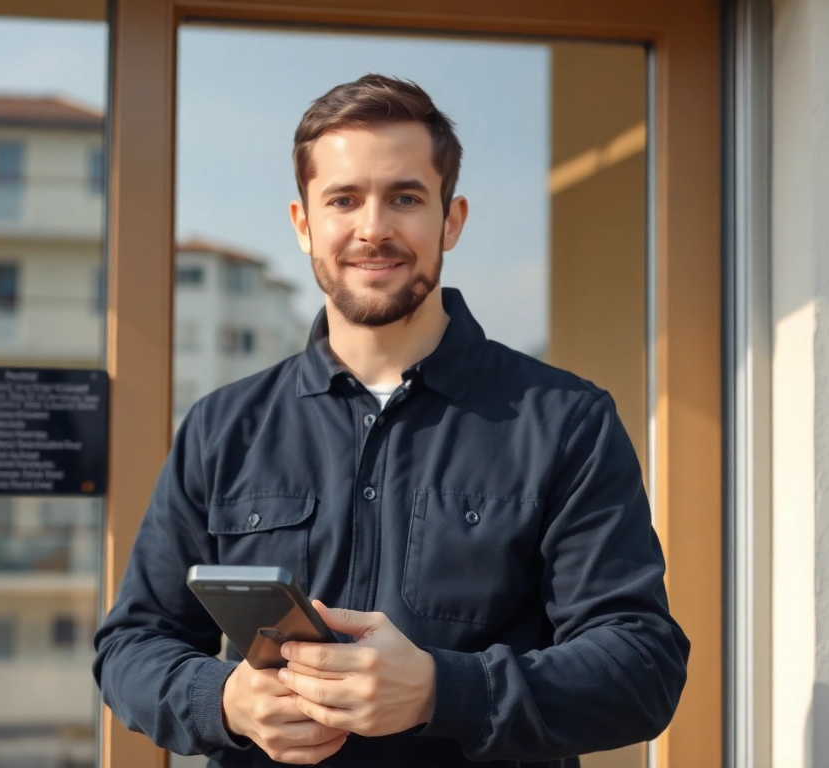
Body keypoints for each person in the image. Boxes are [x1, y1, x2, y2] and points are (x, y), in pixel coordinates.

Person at [93, 74, 689, 768]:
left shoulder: (565, 422)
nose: (373, 229)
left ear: (451, 219)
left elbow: (641, 666)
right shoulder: (222, 427)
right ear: (303, 222)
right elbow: (131, 646)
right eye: (343, 200)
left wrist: (443, 690)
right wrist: (226, 700)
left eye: (405, 198)